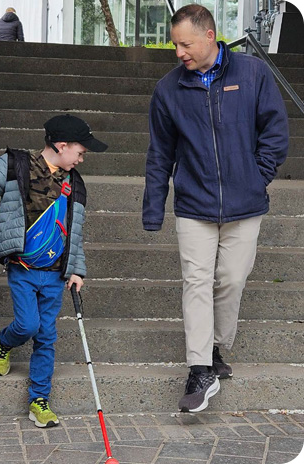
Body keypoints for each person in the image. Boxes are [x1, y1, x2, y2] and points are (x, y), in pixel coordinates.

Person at [142, 4, 289, 413]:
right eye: (175, 45)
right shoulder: (169, 89)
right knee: (196, 281)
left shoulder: (253, 74)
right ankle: (200, 368)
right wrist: (154, 208)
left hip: (246, 204)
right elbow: (159, 155)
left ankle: (218, 349)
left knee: (230, 280)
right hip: (193, 205)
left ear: (209, 36)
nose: (178, 53)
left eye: (185, 44)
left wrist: (256, 176)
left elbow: (275, 132)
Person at [0, 114, 108, 427]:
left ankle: (39, 400)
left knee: (46, 336)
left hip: (54, 273)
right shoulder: (16, 166)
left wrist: (76, 270)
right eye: (80, 152)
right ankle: (5, 343)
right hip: (23, 268)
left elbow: (74, 231)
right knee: (27, 325)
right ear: (61, 145)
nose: (82, 159)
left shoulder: (74, 185)